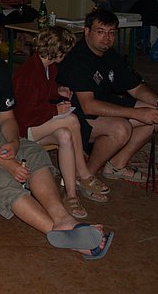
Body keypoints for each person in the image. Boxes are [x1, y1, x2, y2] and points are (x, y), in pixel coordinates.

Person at [0, 17, 113, 260]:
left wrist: (14, 143)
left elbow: (7, 118)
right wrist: (5, 161)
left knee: (34, 153)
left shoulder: (0, 68)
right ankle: (59, 232)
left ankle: (62, 218)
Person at [57, 9, 158, 182]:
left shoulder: (111, 55)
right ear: (87, 31)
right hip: (75, 114)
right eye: (100, 32)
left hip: (103, 104)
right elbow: (88, 106)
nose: (107, 38)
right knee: (121, 128)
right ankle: (86, 176)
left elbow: (136, 88)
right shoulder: (77, 58)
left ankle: (116, 165)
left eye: (111, 33)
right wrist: (136, 113)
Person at [12, 27, 110, 220]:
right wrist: (54, 110)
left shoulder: (47, 67)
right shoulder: (29, 73)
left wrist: (58, 91)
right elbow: (25, 115)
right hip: (23, 129)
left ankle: (71, 194)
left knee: (65, 135)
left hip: (36, 125)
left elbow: (44, 91)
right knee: (71, 120)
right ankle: (84, 174)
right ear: (58, 51)